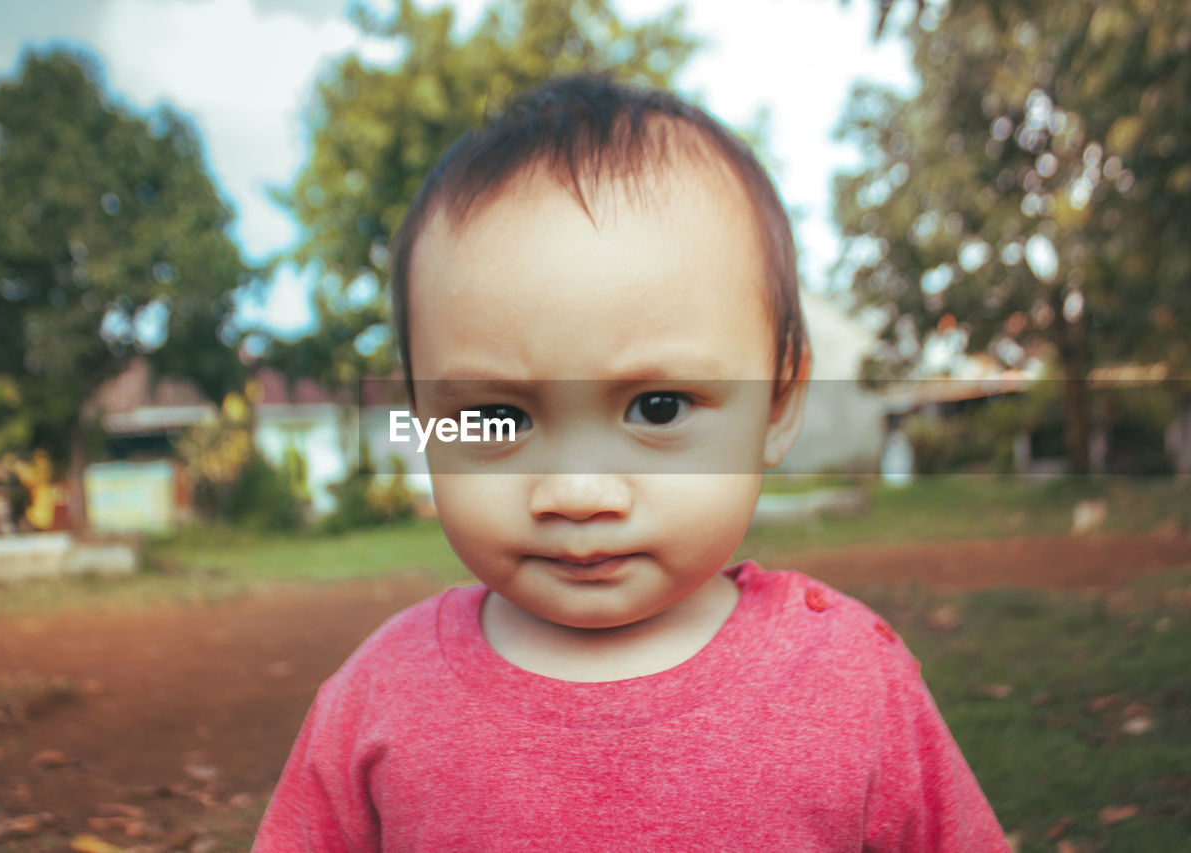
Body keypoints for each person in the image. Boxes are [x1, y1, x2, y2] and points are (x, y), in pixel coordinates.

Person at [253, 74, 1009, 852]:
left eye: (658, 407)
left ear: (778, 404)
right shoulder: (380, 699)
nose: (577, 492)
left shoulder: (850, 684)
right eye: (501, 416)